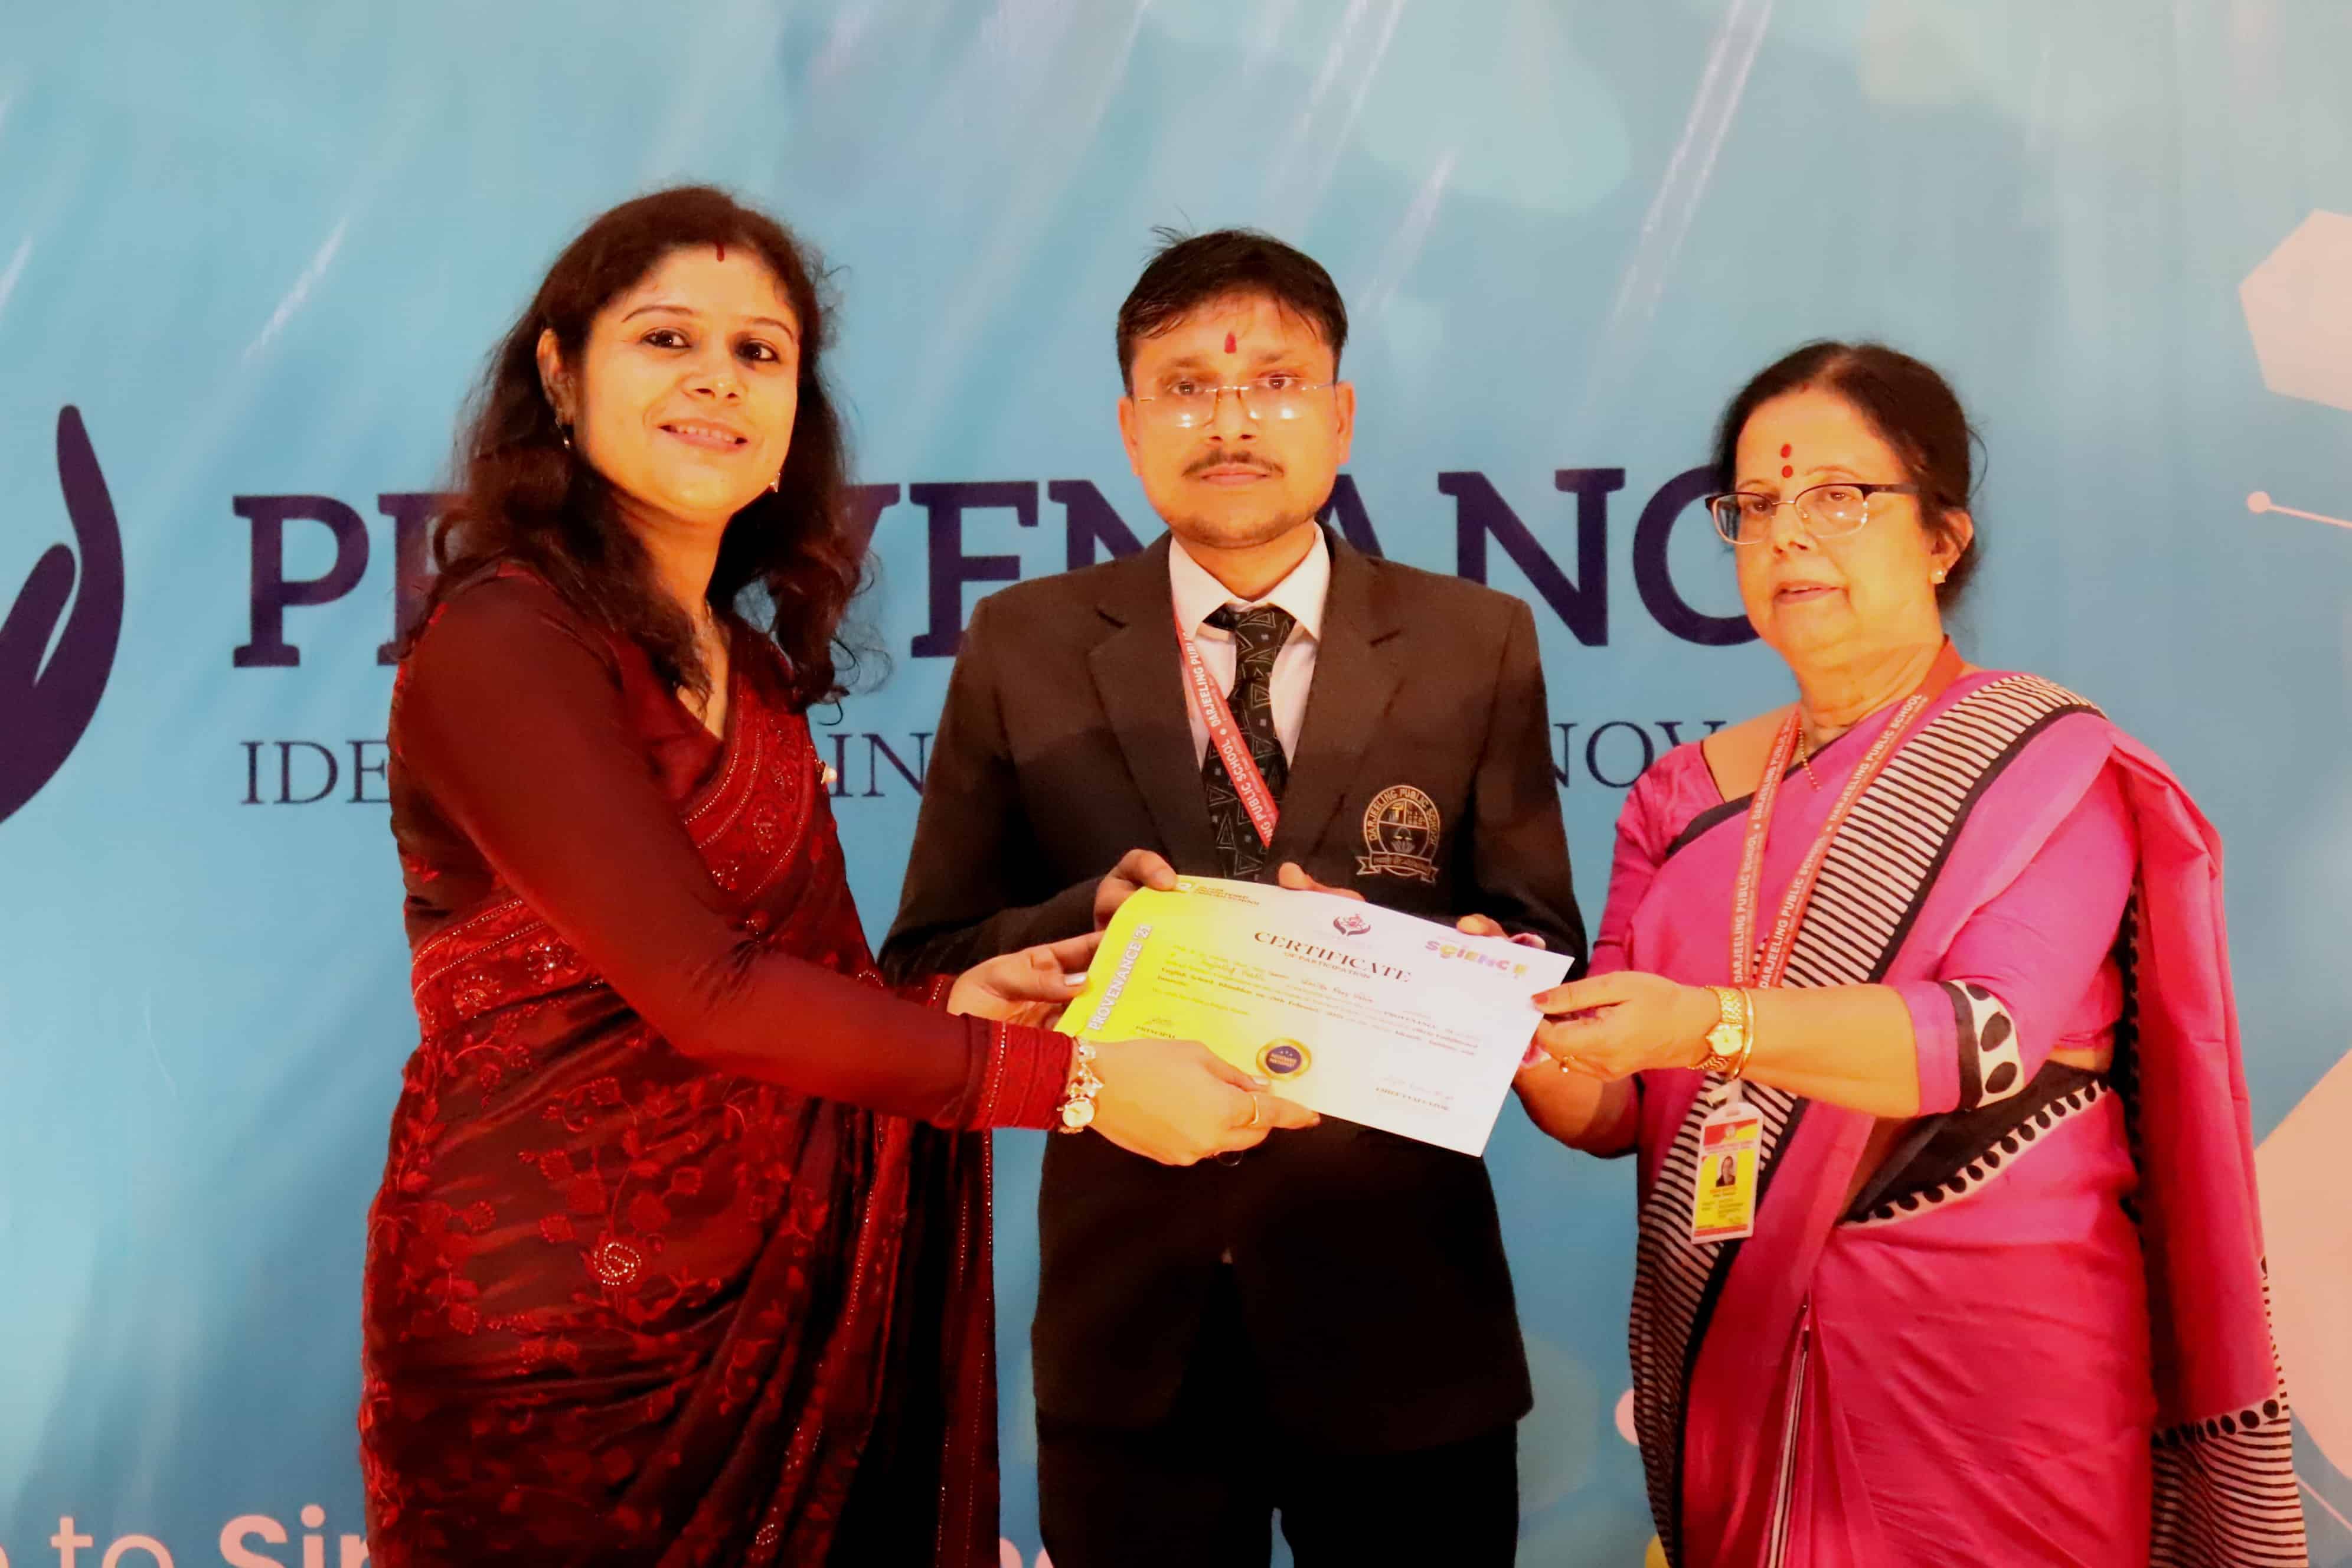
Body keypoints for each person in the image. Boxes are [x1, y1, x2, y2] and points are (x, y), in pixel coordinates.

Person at [357, 187, 1312, 1568]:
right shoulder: (508, 641)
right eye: (666, 337)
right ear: (560, 375)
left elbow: (800, 988)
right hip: (566, 1342)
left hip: (784, 1310)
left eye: (760, 352)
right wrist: (1079, 1082)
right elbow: (706, 988)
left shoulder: (743, 664)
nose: (717, 380)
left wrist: (960, 1002)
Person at [1515, 342, 2305, 1567]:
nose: (1789, 532)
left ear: (1942, 537)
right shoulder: (1681, 793)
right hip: (1733, 1344)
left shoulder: (2039, 762)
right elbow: (1619, 1107)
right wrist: (1509, 1028)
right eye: (1757, 504)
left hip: (1985, 1375)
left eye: (1840, 495)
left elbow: (1981, 1036)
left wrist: (1705, 1024)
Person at [882, 229, 1584, 1568]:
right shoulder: (1027, 643)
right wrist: (1092, 920)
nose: (1231, 420)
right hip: (1129, 1323)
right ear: (1131, 428)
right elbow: (929, 955)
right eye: (1188, 388)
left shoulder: (1471, 641)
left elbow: (1542, 933)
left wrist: (1477, 962)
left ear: (1341, 415)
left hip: (1404, 1313)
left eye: (1273, 382)